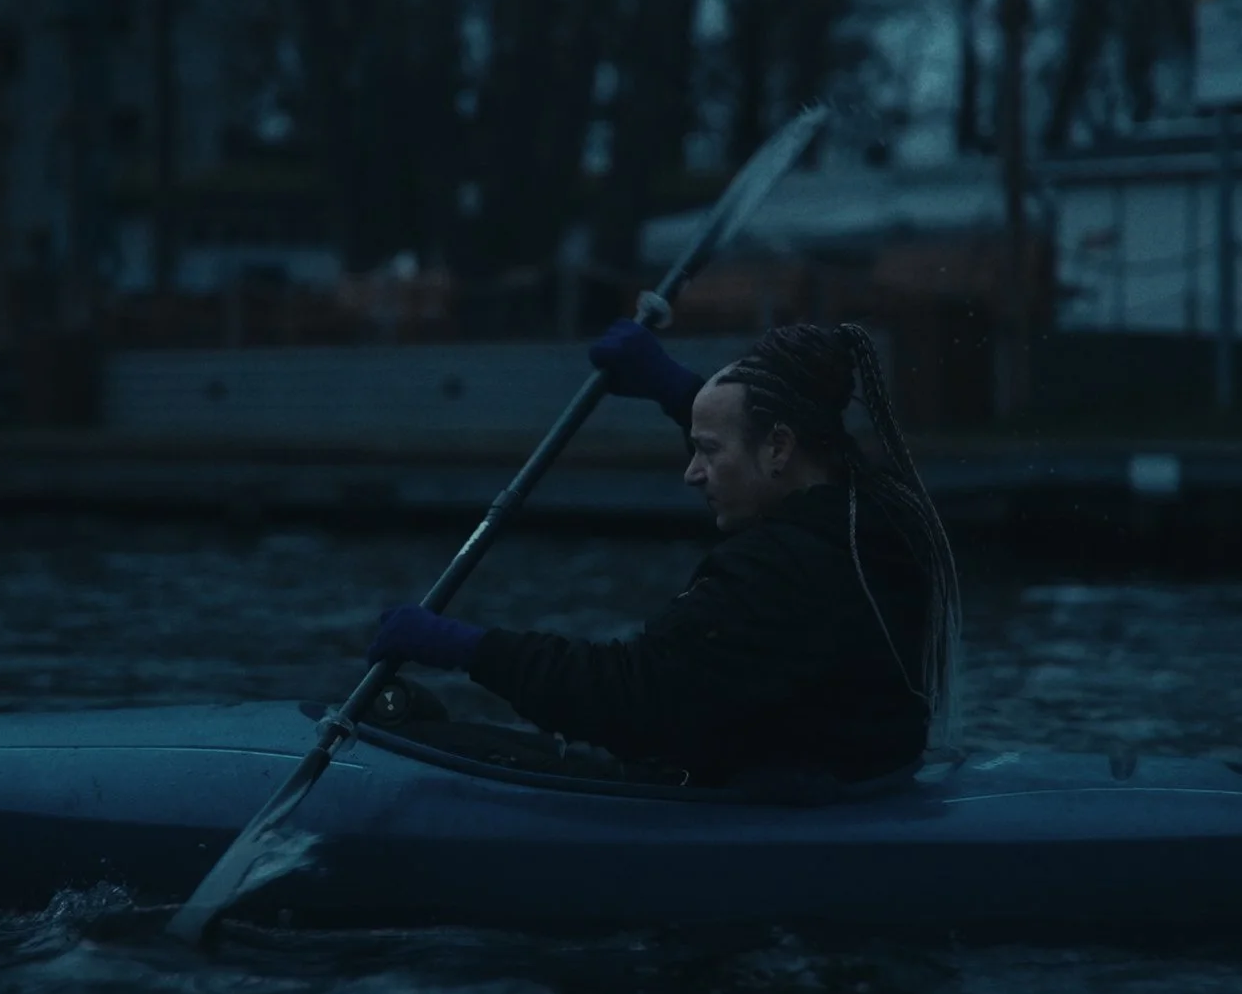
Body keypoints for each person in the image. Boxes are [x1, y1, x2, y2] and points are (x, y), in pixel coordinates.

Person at [367, 319, 965, 788]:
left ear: (781, 446)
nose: (690, 473)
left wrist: (466, 648)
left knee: (411, 735)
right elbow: (762, 445)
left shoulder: (772, 572)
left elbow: (632, 698)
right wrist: (675, 389)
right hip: (863, 770)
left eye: (706, 450)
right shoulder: (881, 512)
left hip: (779, 793)